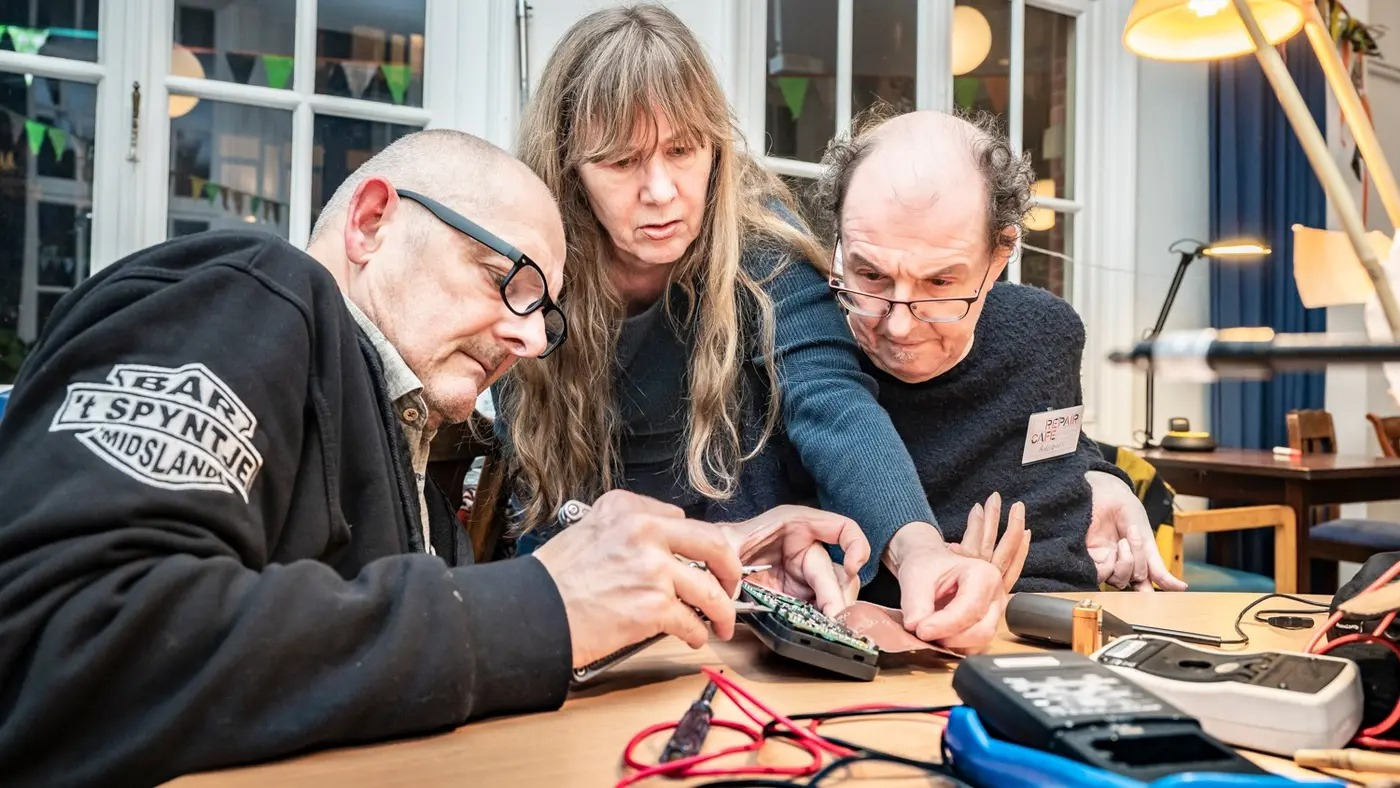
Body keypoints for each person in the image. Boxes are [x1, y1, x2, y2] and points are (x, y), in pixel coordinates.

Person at [0, 130, 864, 785]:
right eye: (511, 281)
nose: (530, 339)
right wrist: (539, 604)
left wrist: (704, 572)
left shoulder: (416, 443)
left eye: (547, 313)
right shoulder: (252, 293)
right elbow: (63, 641)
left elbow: (410, 646)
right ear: (374, 220)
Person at [497, 4, 1011, 645]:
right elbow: (539, 511)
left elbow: (832, 401)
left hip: (744, 616)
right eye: (622, 162)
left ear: (715, 142)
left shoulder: (762, 243)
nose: (660, 191)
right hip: (584, 611)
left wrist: (919, 550)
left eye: (683, 151)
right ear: (569, 168)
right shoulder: (529, 277)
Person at [810, 108, 1189, 592]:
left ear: (999, 256)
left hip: (1040, 623)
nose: (900, 326)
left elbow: (1051, 445)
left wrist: (1102, 478)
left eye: (940, 283)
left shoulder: (1043, 332)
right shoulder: (809, 346)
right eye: (871, 276)